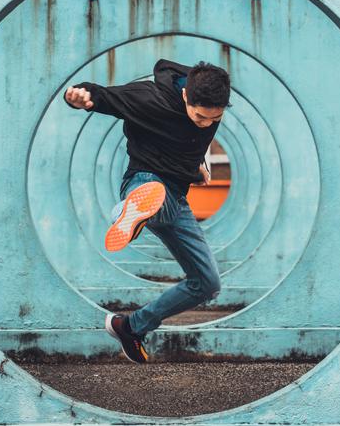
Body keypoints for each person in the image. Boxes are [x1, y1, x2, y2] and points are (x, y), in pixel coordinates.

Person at [64, 59, 231, 364]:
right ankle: (128, 211)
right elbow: (102, 96)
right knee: (154, 195)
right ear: (185, 98)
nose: (206, 123)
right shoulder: (150, 97)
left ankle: (130, 327)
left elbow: (186, 142)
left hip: (175, 198)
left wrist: (198, 167)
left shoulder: (210, 103)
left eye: (214, 118)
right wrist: (79, 98)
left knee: (207, 283)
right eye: (199, 116)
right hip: (144, 178)